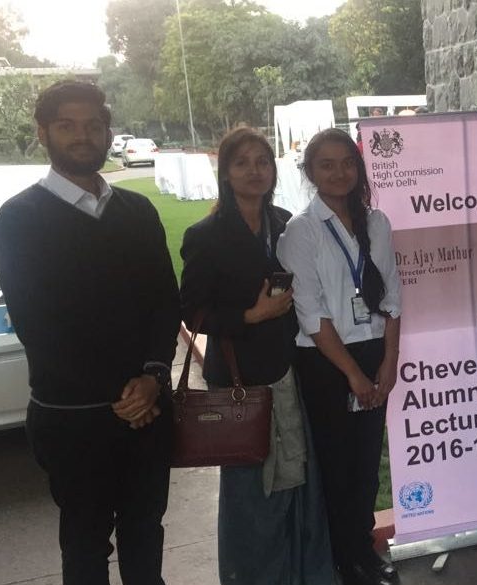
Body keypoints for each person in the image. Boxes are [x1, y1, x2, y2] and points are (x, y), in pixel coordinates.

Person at [0, 80, 179, 584]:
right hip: (73, 419)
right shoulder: (20, 219)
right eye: (67, 125)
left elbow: (165, 300)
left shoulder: (137, 212)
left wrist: (152, 379)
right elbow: (39, 324)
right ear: (43, 133)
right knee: (85, 545)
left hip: (149, 407)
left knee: (146, 534)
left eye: (93, 125)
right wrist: (124, 398)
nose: (82, 136)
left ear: (107, 132)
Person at [179, 127, 334, 585]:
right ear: (226, 172)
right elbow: (192, 310)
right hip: (241, 378)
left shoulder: (286, 222)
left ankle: (302, 571)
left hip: (292, 369)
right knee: (253, 489)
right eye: (242, 162)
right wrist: (251, 314)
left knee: (299, 479)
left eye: (262, 162)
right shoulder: (205, 234)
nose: (254, 171)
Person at [277, 128, 402, 585]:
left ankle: (362, 548)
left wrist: (388, 363)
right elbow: (312, 315)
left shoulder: (377, 223)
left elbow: (392, 298)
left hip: (373, 354)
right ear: (310, 172)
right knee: (337, 465)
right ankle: (343, 559)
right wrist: (353, 375)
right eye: (326, 164)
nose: (338, 172)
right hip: (327, 363)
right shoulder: (300, 232)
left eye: (347, 162)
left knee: (368, 461)